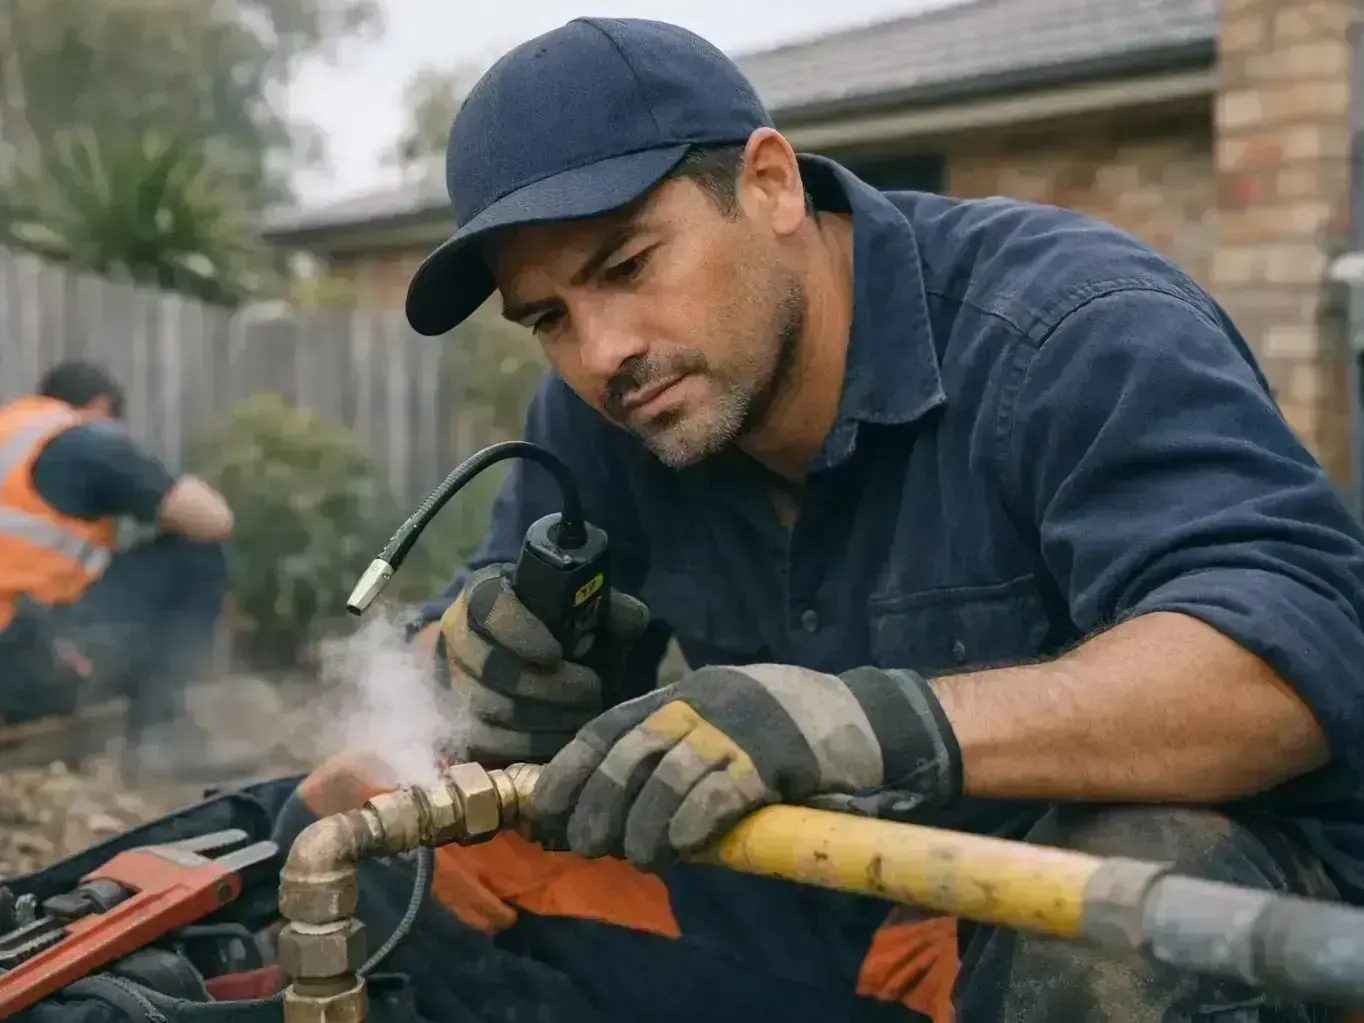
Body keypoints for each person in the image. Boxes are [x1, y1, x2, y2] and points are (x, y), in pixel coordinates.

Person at [292, 18, 1364, 1023]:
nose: (602, 351)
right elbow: (454, 648)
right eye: (548, 319)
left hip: (1052, 904)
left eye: (625, 266)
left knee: (1123, 906)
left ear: (767, 185)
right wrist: (466, 669)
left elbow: (1284, 667)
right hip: (824, 898)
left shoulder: (1068, 330)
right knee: (361, 839)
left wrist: (870, 724)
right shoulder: (610, 410)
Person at [0, 360, 235, 774]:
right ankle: (161, 736)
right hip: (22, 665)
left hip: (18, 646)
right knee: (195, 555)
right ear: (100, 406)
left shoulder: (11, 432)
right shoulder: (81, 441)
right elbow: (213, 518)